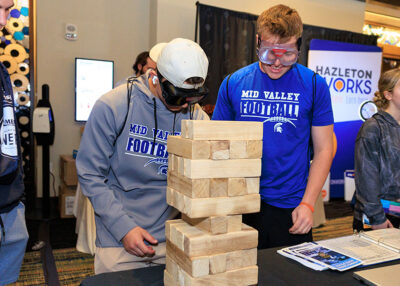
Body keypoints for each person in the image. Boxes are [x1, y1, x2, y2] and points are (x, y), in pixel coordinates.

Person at [76, 38, 209, 274]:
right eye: (177, 96)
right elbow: (90, 174)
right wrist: (123, 228)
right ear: (155, 76)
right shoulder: (114, 105)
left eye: (192, 97)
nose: (184, 104)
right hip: (120, 238)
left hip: (173, 238)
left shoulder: (195, 116)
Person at [212, 4, 334, 248]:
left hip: (290, 204)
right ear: (257, 41)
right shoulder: (233, 83)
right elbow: (216, 145)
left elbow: (325, 149)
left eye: (287, 53)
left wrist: (308, 203)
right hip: (241, 201)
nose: (277, 63)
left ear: (299, 44)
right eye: (269, 53)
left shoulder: (313, 85)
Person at [0, 0, 29, 284]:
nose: (4, 20)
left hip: (9, 203)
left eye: (8, 10)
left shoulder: (1, 70)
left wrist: (17, 196)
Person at [353, 68, 400, 231]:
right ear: (388, 95)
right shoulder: (373, 128)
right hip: (379, 217)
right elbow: (366, 179)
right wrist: (377, 218)